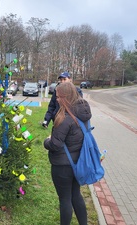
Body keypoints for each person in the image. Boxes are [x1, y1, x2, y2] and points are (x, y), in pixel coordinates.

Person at [43, 82, 91, 225]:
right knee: (76, 195)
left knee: (65, 199)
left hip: (62, 166)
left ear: (66, 97)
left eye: (59, 97)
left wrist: (47, 141)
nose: (56, 99)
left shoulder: (65, 117)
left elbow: (55, 145)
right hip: (78, 162)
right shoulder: (83, 114)